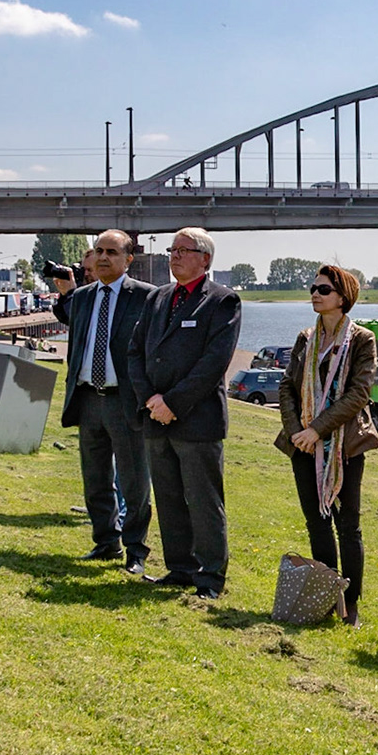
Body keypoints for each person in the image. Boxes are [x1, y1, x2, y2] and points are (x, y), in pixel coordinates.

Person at [127, 227, 242, 599]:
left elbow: (213, 364)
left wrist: (172, 403)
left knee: (203, 501)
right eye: (172, 249)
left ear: (205, 259)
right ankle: (180, 568)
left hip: (197, 420)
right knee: (169, 497)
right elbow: (135, 353)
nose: (173, 255)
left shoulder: (222, 302)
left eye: (183, 250)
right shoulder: (159, 298)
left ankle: (210, 577)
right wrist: (150, 401)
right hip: (155, 418)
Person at [276, 264, 378, 625]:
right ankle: (325, 595)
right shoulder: (306, 337)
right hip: (303, 445)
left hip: (344, 445)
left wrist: (317, 430)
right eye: (313, 288)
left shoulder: (362, 340)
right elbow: (287, 387)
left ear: (343, 297)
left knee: (347, 526)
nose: (314, 294)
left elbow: (358, 394)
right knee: (316, 523)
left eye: (322, 289)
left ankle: (350, 604)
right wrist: (296, 433)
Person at [53, 230, 156, 575]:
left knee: (134, 481)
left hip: (124, 401)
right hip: (88, 399)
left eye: (112, 252)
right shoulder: (81, 298)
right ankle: (105, 542)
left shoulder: (146, 298)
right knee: (95, 478)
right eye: (98, 250)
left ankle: (136, 550)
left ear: (128, 260)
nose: (102, 257)